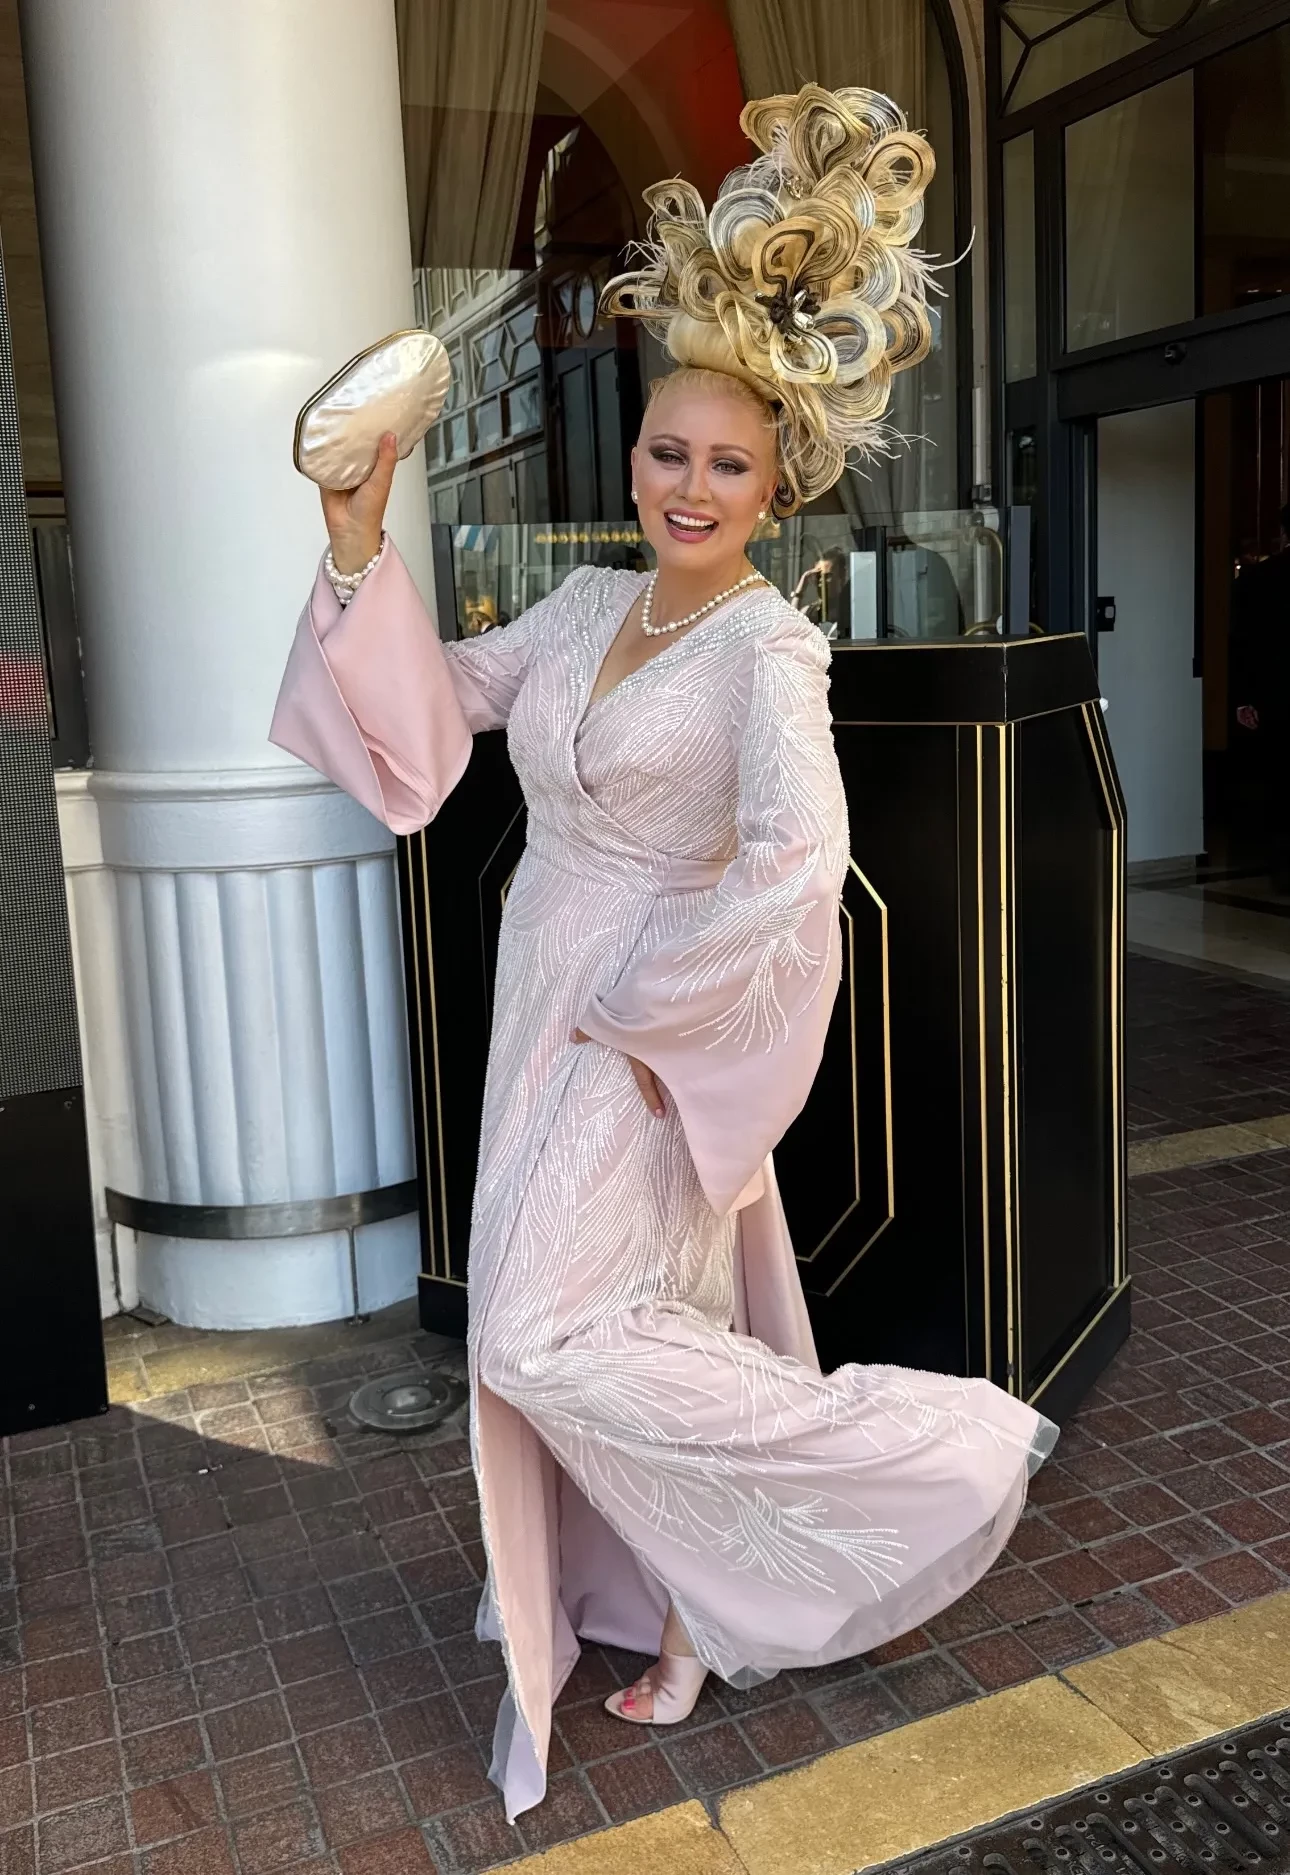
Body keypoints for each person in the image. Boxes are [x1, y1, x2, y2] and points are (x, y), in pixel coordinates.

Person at [271, 83, 1055, 1824]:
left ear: (776, 485)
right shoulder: (579, 610)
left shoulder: (770, 651)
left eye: (727, 465)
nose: (689, 486)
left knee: (539, 1333)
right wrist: (354, 540)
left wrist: (656, 1013)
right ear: (632, 457)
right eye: (666, 453)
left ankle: (915, 1441)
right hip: (540, 1001)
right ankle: (691, 1615)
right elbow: (431, 714)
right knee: (618, 1321)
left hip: (647, 1030)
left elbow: (798, 858)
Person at [1231, 505, 1290, 885]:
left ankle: (1282, 869)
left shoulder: (1258, 578)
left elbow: (1242, 642)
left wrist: (1244, 698)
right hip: (1274, 693)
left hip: (1275, 695)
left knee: (1280, 782)